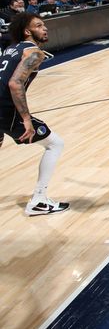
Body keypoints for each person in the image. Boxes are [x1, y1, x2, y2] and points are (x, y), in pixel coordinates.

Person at [0, 13, 68, 215]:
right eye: (39, 25)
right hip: (5, 109)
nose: (44, 28)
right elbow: (14, 83)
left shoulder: (11, 49)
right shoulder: (34, 53)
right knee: (55, 144)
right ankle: (39, 200)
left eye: (44, 24)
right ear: (27, 31)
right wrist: (26, 119)